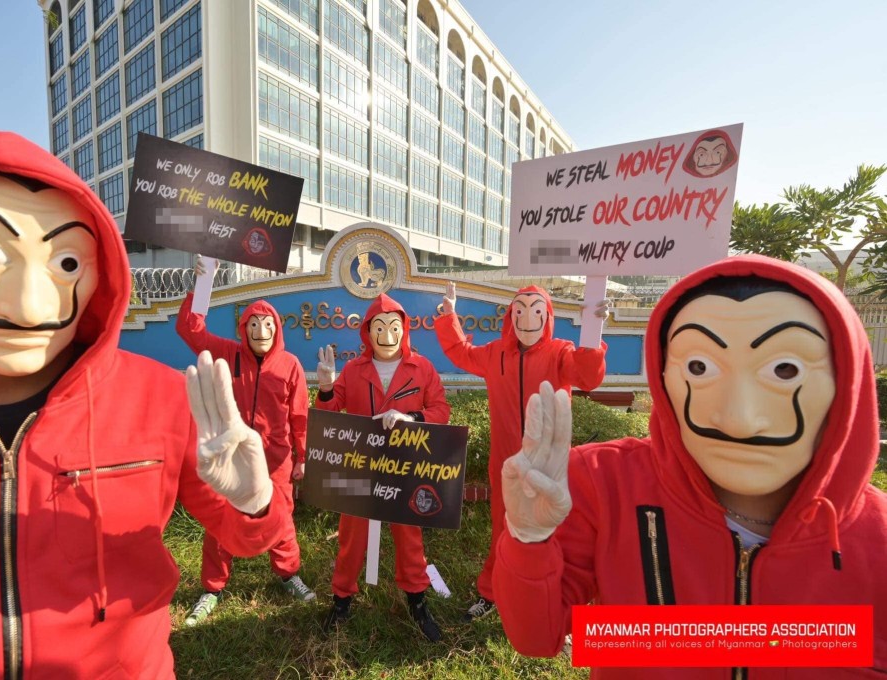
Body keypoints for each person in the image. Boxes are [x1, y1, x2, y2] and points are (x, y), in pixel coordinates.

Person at [0, 131, 290, 678]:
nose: (28, 304)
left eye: (66, 262)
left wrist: (256, 501)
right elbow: (193, 327)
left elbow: (250, 529)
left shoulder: (166, 399)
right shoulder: (219, 358)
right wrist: (204, 280)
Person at [493, 255, 887, 678]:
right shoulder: (605, 483)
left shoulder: (877, 539)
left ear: (848, 376)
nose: (737, 417)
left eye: (784, 369)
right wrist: (527, 541)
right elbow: (538, 637)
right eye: (699, 367)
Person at [434, 281, 608, 620]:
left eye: (536, 310)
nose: (528, 318)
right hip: (507, 463)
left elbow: (588, 377)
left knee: (555, 531)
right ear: (511, 316)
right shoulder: (496, 353)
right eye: (521, 310)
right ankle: (493, 591)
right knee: (504, 526)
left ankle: (557, 601)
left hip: (549, 464)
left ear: (548, 317)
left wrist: (592, 334)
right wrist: (449, 315)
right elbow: (460, 352)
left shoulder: (561, 352)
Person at [176, 270, 315, 625]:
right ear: (244, 330)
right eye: (253, 325)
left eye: (267, 325)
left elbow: (300, 414)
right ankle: (212, 587)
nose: (260, 332)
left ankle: (288, 574)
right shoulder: (228, 354)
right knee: (221, 519)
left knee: (281, 517)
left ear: (277, 329)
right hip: (233, 456)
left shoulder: (290, 365)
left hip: (277, 459)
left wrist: (302, 456)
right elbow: (190, 331)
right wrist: (202, 285)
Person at [315, 293, 450, 641]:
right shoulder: (353, 369)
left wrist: (412, 418)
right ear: (368, 332)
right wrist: (327, 388)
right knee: (351, 536)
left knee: (410, 538)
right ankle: (342, 599)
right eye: (379, 327)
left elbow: (441, 410)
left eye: (393, 326)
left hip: (406, 468)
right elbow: (330, 416)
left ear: (403, 329)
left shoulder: (422, 367)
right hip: (361, 466)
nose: (387, 334)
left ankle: (418, 602)